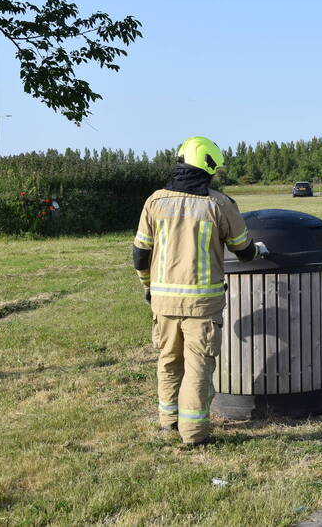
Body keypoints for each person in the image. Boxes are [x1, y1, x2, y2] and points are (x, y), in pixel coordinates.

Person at [132, 136, 265, 446]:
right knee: (197, 366)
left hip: (163, 302)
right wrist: (259, 250)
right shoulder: (219, 204)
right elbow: (244, 250)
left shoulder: (154, 201)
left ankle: (168, 421)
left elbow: (140, 254)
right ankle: (193, 434)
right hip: (201, 304)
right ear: (208, 167)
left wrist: (148, 286)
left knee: (168, 360)